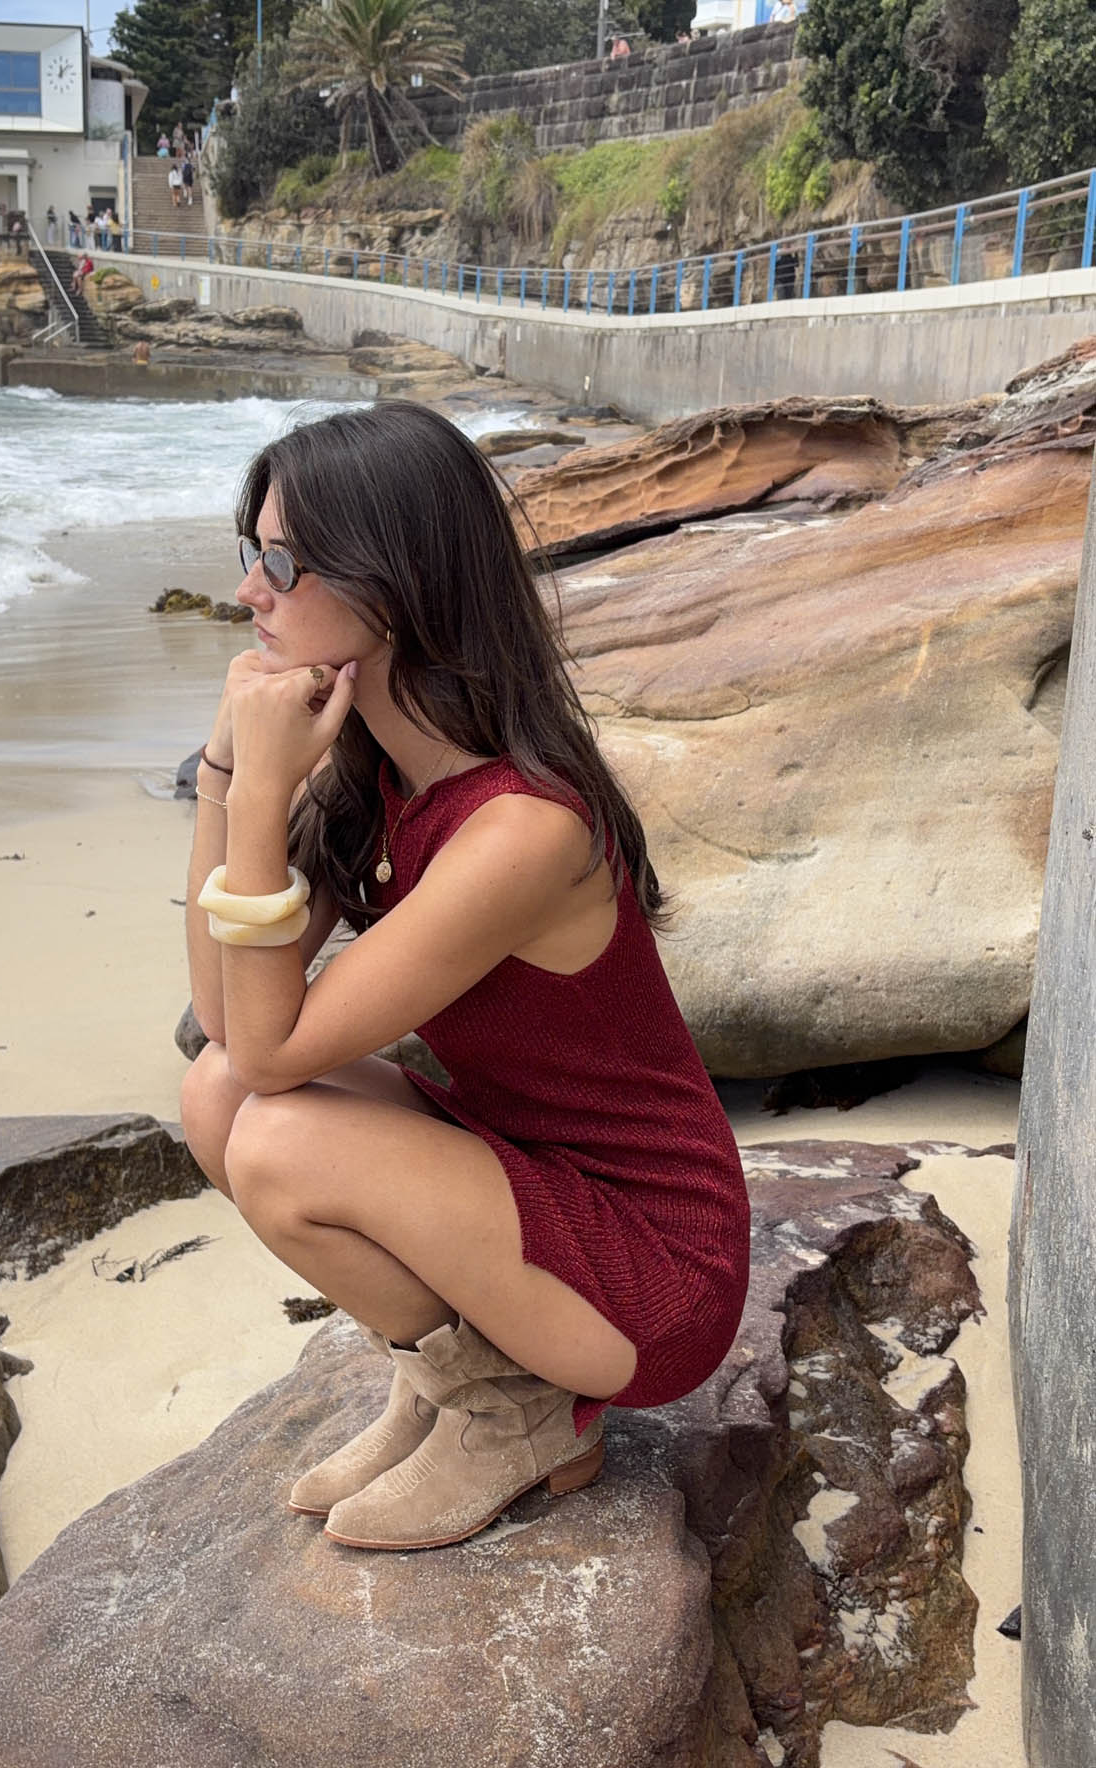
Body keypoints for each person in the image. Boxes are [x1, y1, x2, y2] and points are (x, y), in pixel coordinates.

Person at [180, 402, 751, 1552]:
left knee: (278, 1137)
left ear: (392, 585)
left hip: (651, 1263)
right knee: (216, 1098)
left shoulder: (521, 830)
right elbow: (222, 1019)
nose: (249, 593)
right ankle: (456, 1387)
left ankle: (515, 1415)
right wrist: (226, 772)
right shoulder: (372, 781)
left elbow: (276, 1046)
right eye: (253, 555)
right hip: (519, 1172)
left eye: (282, 564)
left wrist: (258, 798)